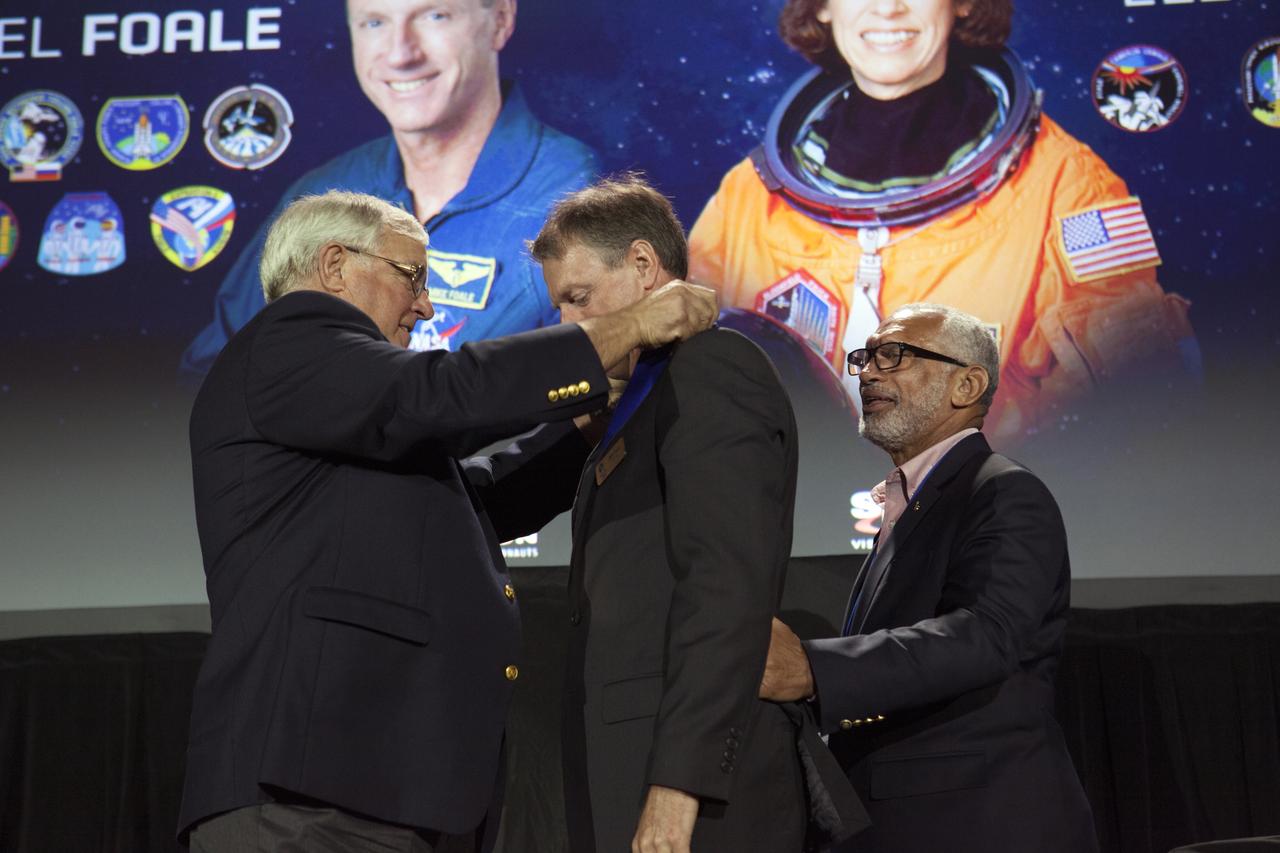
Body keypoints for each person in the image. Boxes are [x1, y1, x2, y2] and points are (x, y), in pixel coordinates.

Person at [177, 190, 716, 852]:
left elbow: (474, 501)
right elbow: (438, 392)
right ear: (336, 265)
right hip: (310, 792)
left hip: (376, 789)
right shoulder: (293, 338)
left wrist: (586, 431)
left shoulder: (345, 408)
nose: (426, 303)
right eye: (413, 276)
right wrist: (627, 327)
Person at [688, 0, 1198, 440]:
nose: (888, 8)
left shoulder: (1069, 187)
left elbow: (1135, 411)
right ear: (821, 6)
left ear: (964, 3)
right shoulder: (748, 200)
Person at [530, 176, 861, 853]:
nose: (570, 323)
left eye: (579, 296)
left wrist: (678, 788)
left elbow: (724, 591)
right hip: (635, 765)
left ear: (646, 267)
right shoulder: (635, 400)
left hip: (698, 792)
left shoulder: (710, 368)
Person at [758, 302, 1099, 853]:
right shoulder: (913, 505)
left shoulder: (1003, 491)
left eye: (894, 356)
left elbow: (985, 636)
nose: (868, 371)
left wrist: (812, 669)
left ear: (966, 385)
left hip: (975, 823)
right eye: (866, 357)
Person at [180, 0, 598, 379]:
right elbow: (215, 374)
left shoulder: (576, 198)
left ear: (501, 20)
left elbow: (588, 399)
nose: (401, 53)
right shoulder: (321, 194)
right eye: (374, 22)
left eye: (435, 16)